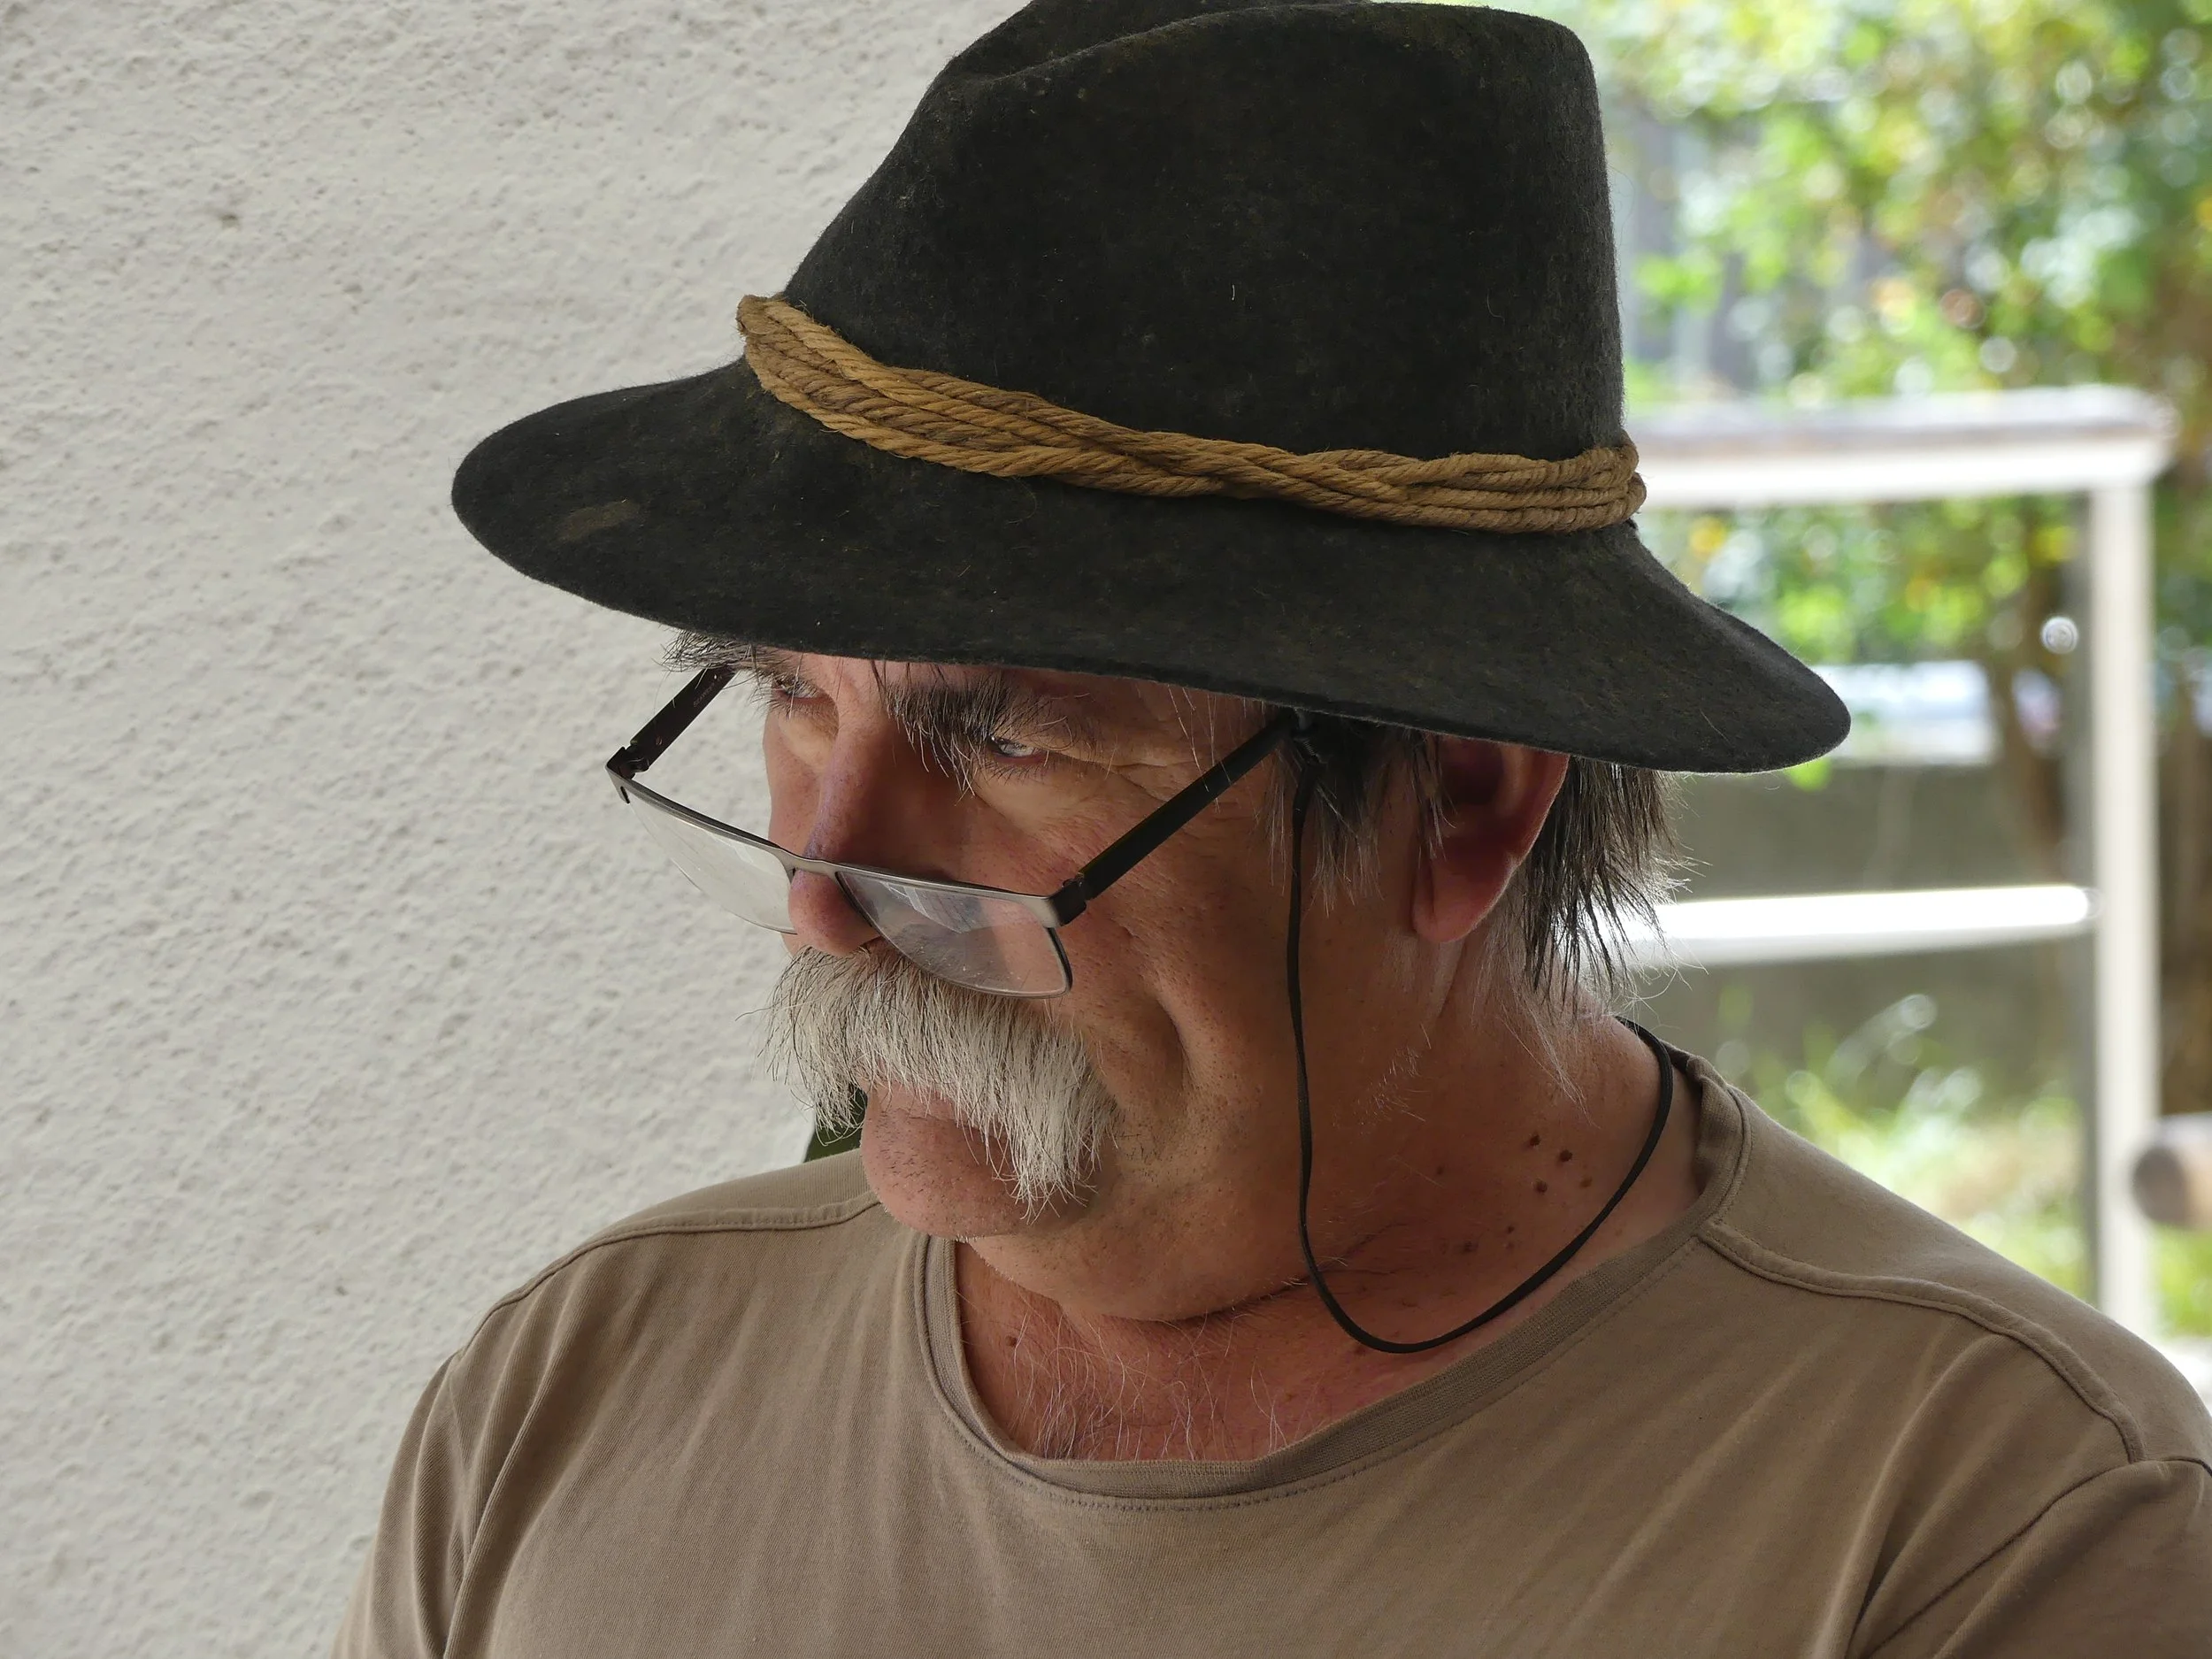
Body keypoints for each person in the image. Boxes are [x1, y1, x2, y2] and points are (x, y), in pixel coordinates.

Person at [338, 3, 2212, 1654]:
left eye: (993, 738)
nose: (823, 901)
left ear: (1462, 801)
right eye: (789, 694)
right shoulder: (569, 1399)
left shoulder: (1992, 1529)